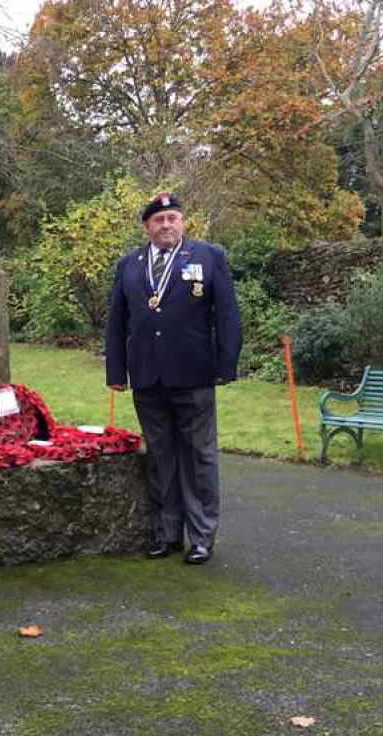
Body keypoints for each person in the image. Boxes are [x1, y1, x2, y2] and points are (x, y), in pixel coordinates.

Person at [105, 193, 242, 565]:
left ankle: (201, 537)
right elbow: (117, 322)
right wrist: (116, 372)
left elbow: (227, 313)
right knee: (161, 458)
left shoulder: (208, 257)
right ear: (147, 227)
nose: (166, 225)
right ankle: (167, 535)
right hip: (148, 377)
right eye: (159, 219)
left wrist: (226, 364)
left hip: (194, 373)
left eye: (173, 218)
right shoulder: (128, 266)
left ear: (183, 222)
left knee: (199, 457)